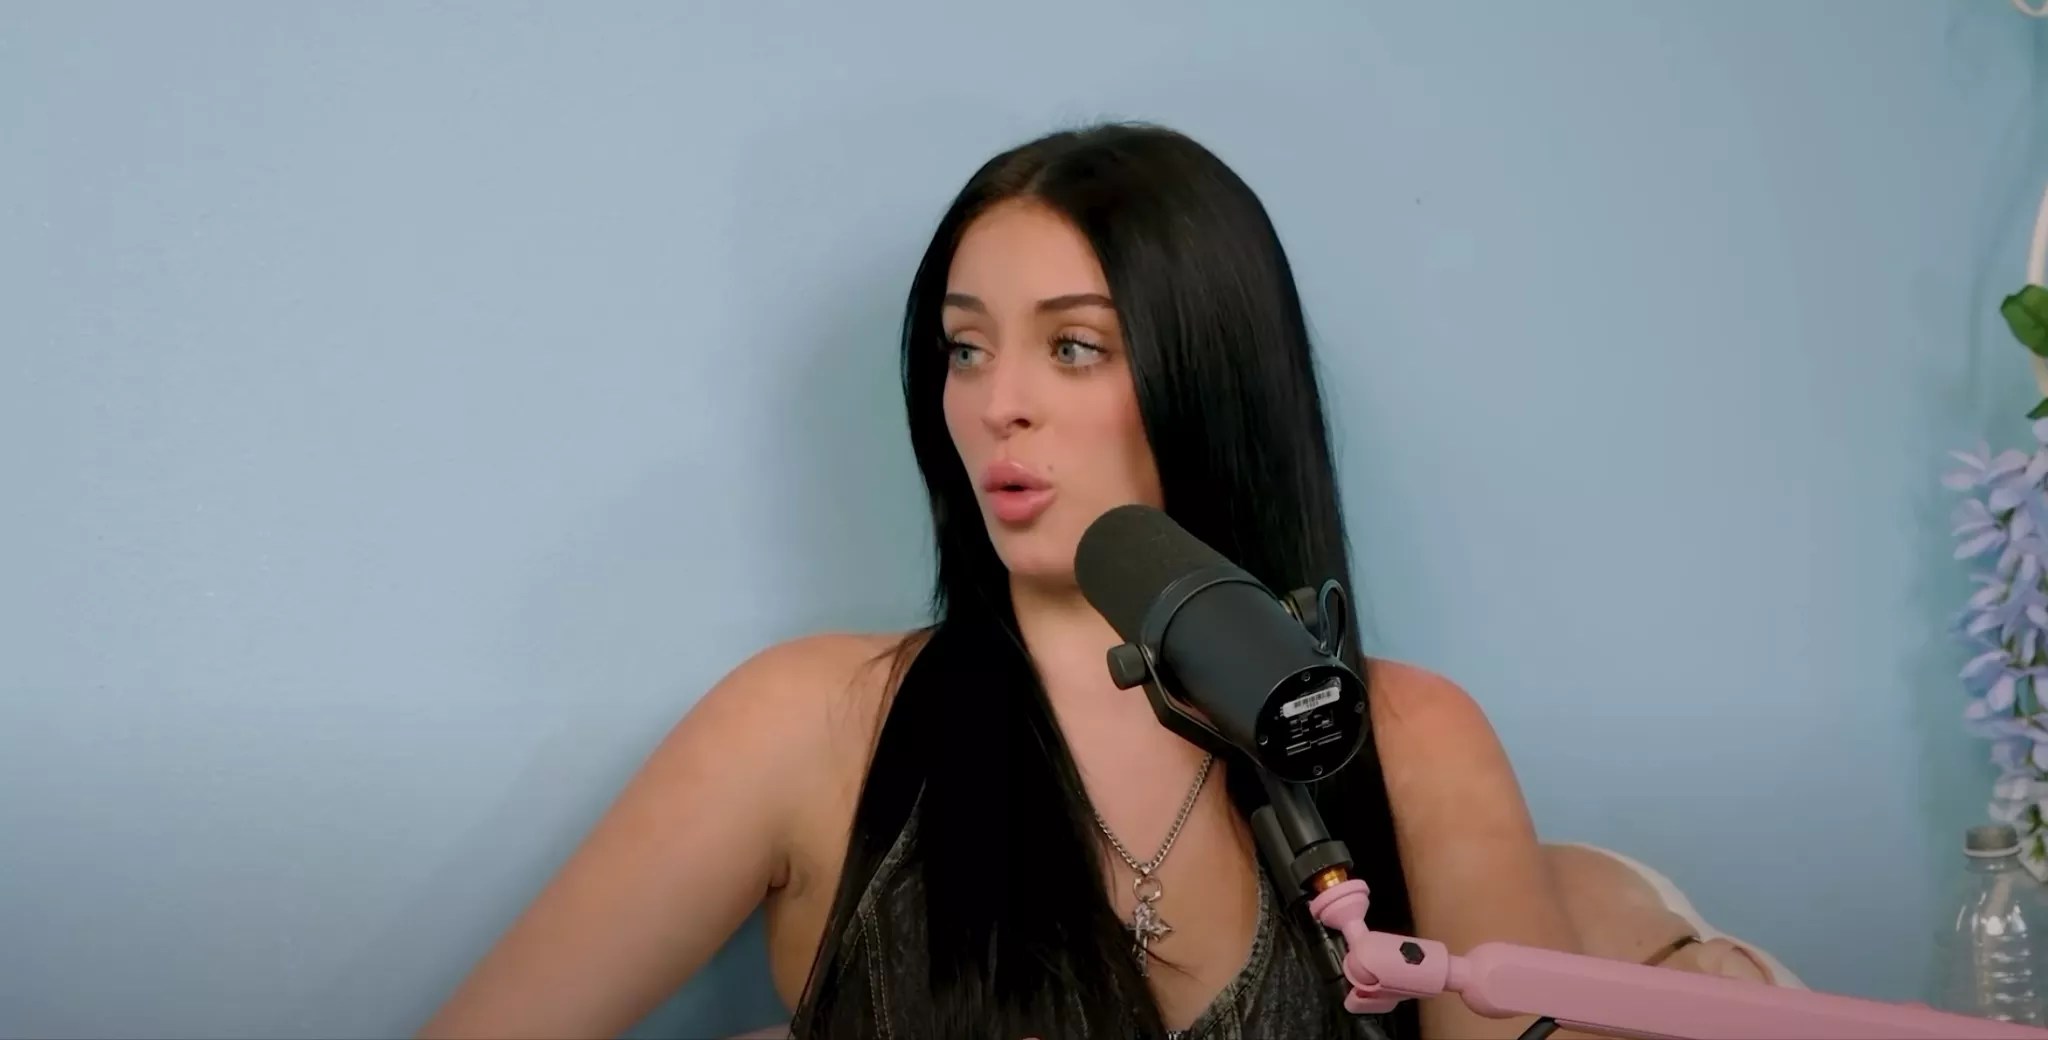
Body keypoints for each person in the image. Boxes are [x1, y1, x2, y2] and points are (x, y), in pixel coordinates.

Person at [419, 122, 1775, 1040]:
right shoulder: (808, 725)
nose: (996, 402)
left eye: (1074, 348)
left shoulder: (1415, 739)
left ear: (1208, 378)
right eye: (965, 349)